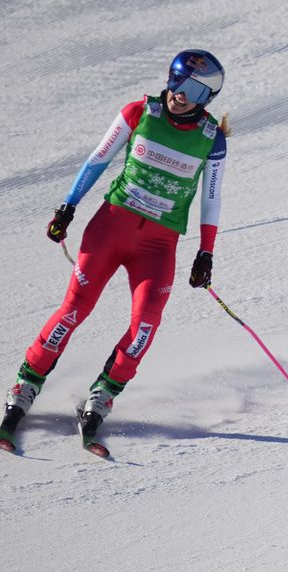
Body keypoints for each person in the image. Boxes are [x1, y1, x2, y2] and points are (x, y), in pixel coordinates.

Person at [0, 49, 229, 455]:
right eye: (176, 81)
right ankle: (25, 386)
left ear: (208, 97)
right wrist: (68, 207)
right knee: (74, 308)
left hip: (158, 245)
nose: (180, 94)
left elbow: (211, 198)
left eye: (194, 90)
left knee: (145, 327)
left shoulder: (212, 138)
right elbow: (97, 160)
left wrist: (206, 253)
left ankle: (103, 395)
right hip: (110, 229)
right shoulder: (139, 113)